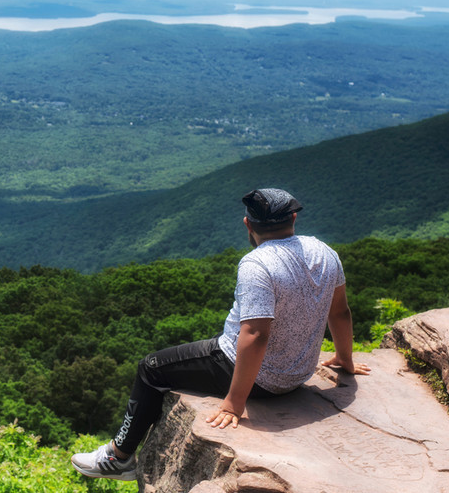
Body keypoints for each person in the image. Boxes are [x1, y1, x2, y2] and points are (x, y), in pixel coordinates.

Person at [71, 188, 371, 481]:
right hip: (298, 374)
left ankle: (118, 457)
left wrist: (234, 403)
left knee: (150, 367)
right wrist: (345, 359)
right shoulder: (324, 252)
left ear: (247, 224)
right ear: (293, 218)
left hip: (257, 379)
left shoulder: (257, 263)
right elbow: (339, 312)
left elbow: (255, 335)